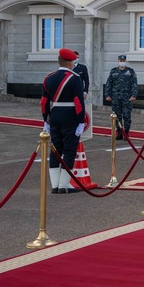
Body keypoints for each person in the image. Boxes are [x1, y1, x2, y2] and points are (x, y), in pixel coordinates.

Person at [41, 48, 87, 194]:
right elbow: (78, 102)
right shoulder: (74, 78)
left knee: (55, 149)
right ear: (69, 63)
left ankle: (55, 185)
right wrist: (80, 121)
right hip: (70, 115)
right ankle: (63, 185)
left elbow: (44, 101)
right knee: (69, 150)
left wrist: (45, 120)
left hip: (54, 115)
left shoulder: (48, 77)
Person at [104, 54, 138, 140]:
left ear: (125, 61)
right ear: (118, 61)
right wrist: (107, 94)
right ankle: (119, 132)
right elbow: (109, 83)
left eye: (123, 61)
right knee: (116, 115)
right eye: (120, 61)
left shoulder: (130, 71)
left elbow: (134, 84)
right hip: (116, 97)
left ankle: (126, 132)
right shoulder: (113, 71)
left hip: (127, 97)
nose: (122, 62)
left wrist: (134, 95)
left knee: (126, 115)